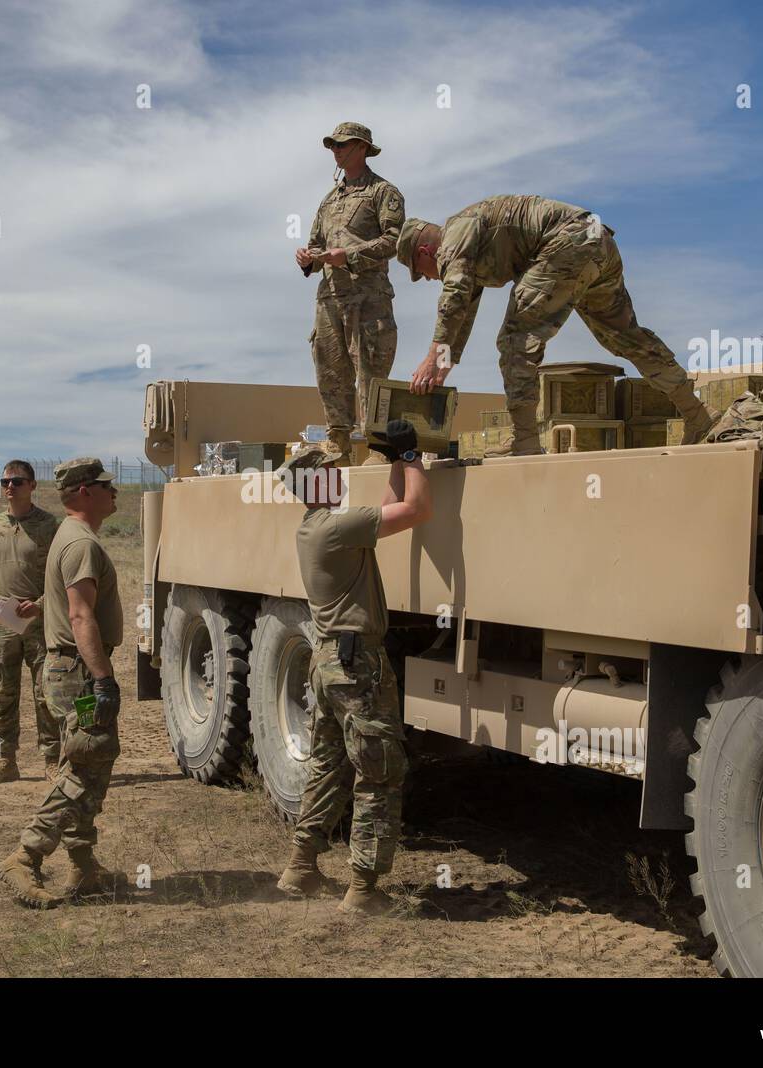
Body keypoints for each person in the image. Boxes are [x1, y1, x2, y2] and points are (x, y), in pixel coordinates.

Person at [398, 196, 717, 454]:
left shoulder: (455, 235)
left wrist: (431, 357)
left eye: (421, 271)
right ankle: (697, 415)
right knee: (623, 338)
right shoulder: (467, 252)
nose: (428, 278)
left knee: (516, 338)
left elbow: (454, 295)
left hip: (568, 244)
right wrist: (443, 362)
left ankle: (525, 442)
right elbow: (462, 312)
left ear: (425, 251)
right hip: (596, 241)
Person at [275, 419, 432, 915]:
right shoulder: (336, 526)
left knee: (330, 763)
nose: (340, 476)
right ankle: (364, 889)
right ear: (316, 481)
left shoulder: (319, 526)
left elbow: (386, 510)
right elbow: (417, 510)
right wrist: (411, 460)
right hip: (356, 662)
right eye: (332, 471)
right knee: (379, 770)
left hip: (330, 661)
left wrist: (392, 462)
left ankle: (301, 866)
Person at [0, 458, 123, 909]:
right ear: (86, 492)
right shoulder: (80, 543)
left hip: (72, 668)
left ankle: (84, 866)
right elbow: (80, 614)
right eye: (107, 485)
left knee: (92, 761)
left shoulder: (70, 538)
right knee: (86, 762)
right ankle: (25, 856)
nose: (115, 491)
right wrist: (104, 679)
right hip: (79, 673)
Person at [295, 122, 405, 459]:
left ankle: (377, 446)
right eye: (332, 145)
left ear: (361, 147)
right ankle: (338, 443)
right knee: (330, 369)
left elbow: (394, 240)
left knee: (370, 371)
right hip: (329, 297)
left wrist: (350, 256)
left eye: (341, 144)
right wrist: (307, 258)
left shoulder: (383, 193)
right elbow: (316, 245)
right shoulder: (329, 201)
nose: (335, 151)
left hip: (368, 297)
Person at [0, 460, 62, 784]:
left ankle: (52, 760)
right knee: (2, 696)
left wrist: (41, 606)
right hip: (2, 622)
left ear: (32, 486)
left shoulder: (49, 525)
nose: (10, 486)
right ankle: (4, 761)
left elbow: (61, 578)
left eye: (18, 481)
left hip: (38, 622)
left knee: (45, 694)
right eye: (6, 481)